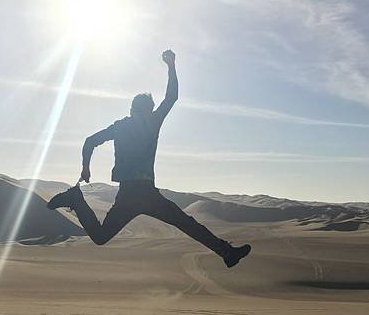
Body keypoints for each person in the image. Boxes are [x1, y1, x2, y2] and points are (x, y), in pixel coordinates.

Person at [48, 50, 251, 268]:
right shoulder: (151, 123)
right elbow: (171, 97)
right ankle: (226, 252)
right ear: (148, 109)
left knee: (101, 236)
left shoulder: (120, 126)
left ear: (132, 108)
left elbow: (90, 141)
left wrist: (85, 169)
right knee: (185, 223)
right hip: (145, 192)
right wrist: (171, 66)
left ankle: (76, 201)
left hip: (128, 193)